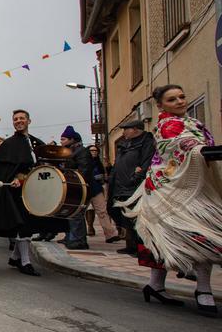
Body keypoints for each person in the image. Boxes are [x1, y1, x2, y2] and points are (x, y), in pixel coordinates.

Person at [122, 84, 222, 316]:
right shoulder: (165, 125)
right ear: (160, 105)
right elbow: (176, 145)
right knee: (171, 236)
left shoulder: (194, 124)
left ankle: (202, 288)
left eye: (182, 96)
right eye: (172, 99)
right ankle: (158, 285)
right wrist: (198, 150)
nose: (179, 101)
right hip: (168, 189)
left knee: (201, 233)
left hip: (194, 188)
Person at [0, 109, 64, 276]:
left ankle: (15, 257)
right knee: (22, 225)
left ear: (29, 121)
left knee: (29, 225)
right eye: (15, 119)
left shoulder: (36, 143)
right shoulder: (8, 145)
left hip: (34, 190)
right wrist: (17, 177)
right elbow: (5, 171)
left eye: (22, 118)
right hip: (16, 191)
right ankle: (25, 262)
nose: (18, 121)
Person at [107, 120, 156, 256]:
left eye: (126, 129)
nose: (123, 132)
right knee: (123, 216)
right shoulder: (125, 144)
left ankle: (140, 248)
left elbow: (146, 164)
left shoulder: (146, 142)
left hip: (134, 187)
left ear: (135, 129)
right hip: (119, 186)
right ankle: (130, 245)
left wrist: (135, 178)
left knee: (137, 218)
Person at [57, 126, 96, 250]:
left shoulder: (82, 152)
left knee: (76, 213)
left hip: (80, 187)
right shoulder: (69, 152)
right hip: (71, 186)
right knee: (69, 212)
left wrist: (73, 178)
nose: (61, 142)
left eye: (63, 139)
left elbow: (84, 171)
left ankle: (79, 240)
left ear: (72, 139)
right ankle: (70, 237)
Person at [85, 144, 120, 242]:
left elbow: (105, 176)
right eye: (91, 150)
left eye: (95, 150)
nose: (94, 152)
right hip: (85, 189)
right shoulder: (84, 162)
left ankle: (110, 234)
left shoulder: (99, 163)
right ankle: (87, 230)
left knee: (102, 211)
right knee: (85, 212)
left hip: (97, 189)